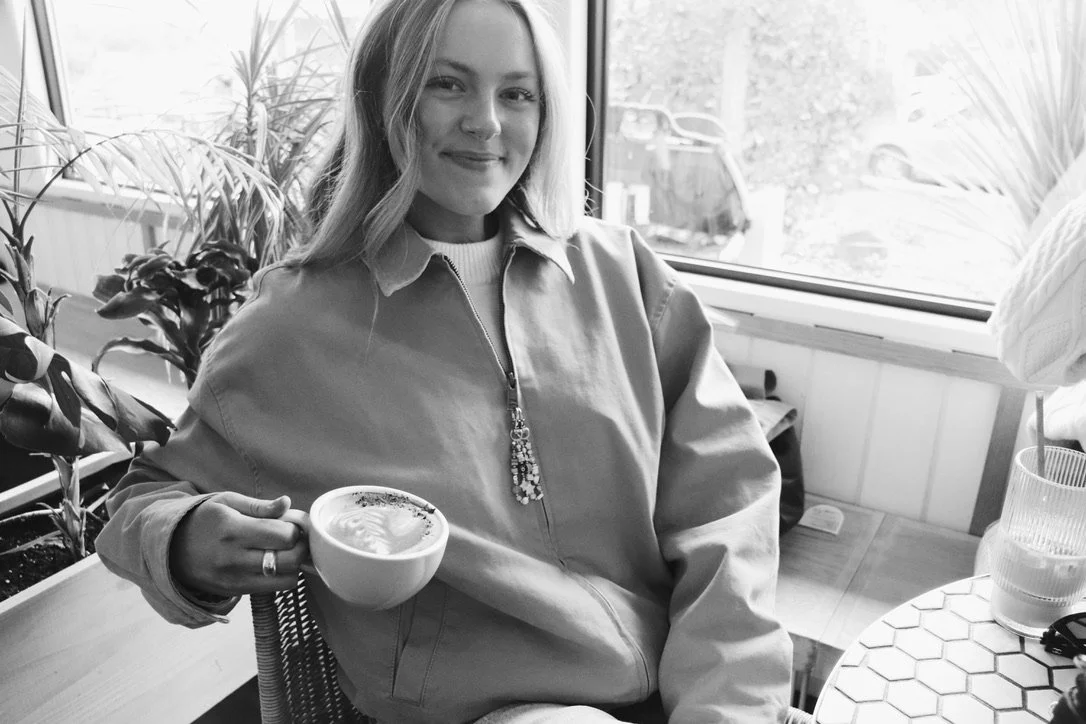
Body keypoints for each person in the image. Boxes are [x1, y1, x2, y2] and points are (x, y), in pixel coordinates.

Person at [94, 0, 793, 722]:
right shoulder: (290, 327)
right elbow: (140, 503)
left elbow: (728, 506)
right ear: (383, 97)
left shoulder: (626, 276)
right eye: (447, 84)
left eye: (517, 93)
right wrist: (183, 539)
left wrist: (724, 706)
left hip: (679, 689)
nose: (486, 121)